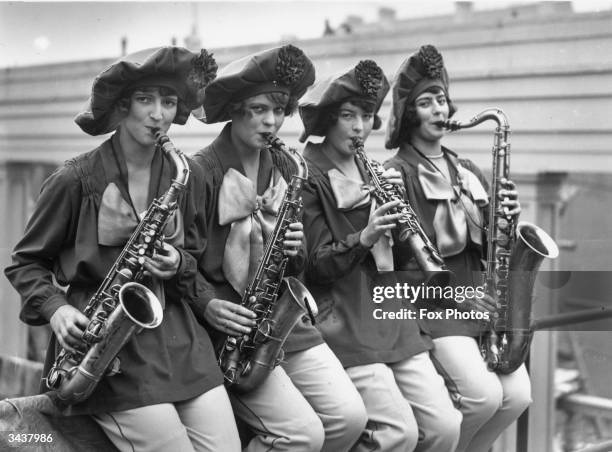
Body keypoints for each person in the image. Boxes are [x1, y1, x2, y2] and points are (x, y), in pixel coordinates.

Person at [5, 46, 241, 452]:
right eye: (145, 100)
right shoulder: (74, 179)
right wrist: (56, 309)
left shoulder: (187, 174)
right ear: (122, 105)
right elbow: (26, 263)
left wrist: (179, 262)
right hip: (106, 349)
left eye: (168, 102)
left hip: (180, 342)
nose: (158, 114)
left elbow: (199, 258)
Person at [191, 44, 367, 452]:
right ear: (235, 109)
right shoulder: (202, 172)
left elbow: (297, 267)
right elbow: (182, 259)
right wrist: (206, 304)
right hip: (226, 332)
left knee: (350, 418)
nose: (271, 122)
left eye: (278, 110)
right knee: (303, 434)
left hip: (282, 325)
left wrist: (297, 247)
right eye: (258, 110)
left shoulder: (288, 167)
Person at [298, 59, 461, 452]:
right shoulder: (307, 174)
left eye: (367, 116)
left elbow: (405, 256)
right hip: (344, 316)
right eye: (347, 116)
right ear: (328, 120)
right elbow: (316, 264)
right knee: (397, 434)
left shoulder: (374, 172)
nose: (358, 127)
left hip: (391, 315)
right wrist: (367, 235)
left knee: (446, 426)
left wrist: (402, 217)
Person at [384, 44, 532, 452]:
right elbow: (400, 263)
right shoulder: (396, 173)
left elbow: (493, 246)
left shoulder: (467, 170)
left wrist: (509, 219)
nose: (439, 109)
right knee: (483, 397)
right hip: (432, 308)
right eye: (426, 102)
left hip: (483, 301)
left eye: (442, 99)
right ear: (409, 113)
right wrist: (462, 301)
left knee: (519, 397)